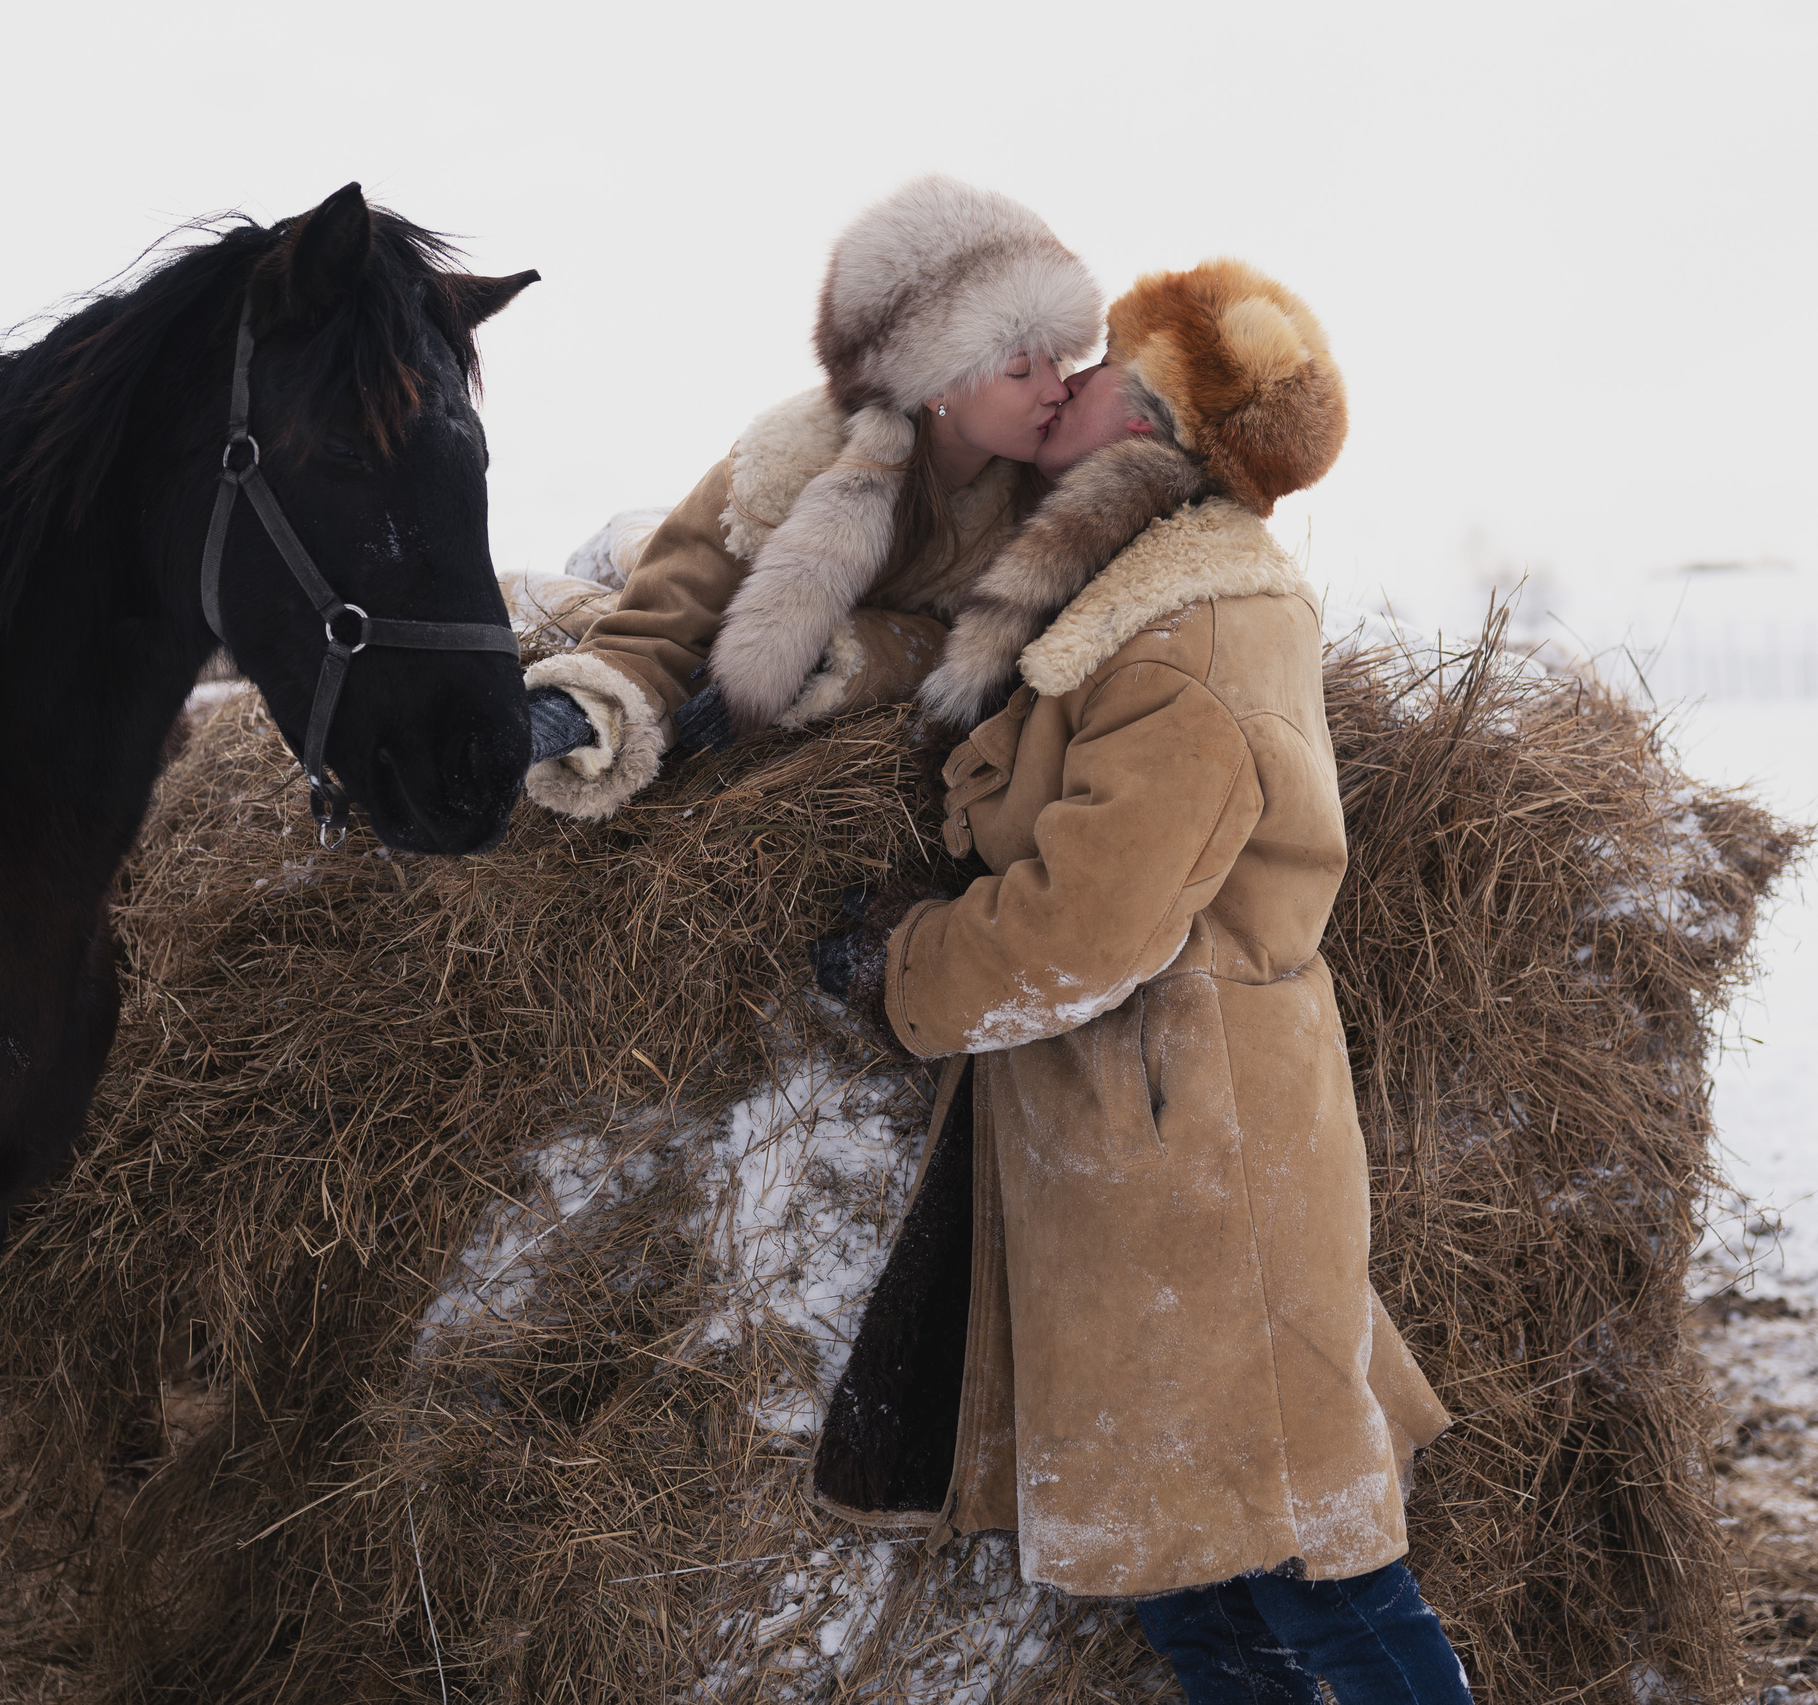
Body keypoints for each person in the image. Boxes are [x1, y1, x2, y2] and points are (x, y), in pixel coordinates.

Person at [808, 261, 1470, 1702]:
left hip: (1200, 1161)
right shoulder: (1120, 597)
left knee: (1320, 1572)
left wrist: (900, 964)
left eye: (1109, 360)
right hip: (1144, 1151)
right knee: (1195, 1591)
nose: (1071, 370)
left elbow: (1081, 930)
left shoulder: (1197, 633)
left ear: (1152, 420)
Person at [517, 174, 1102, 819]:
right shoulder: (781, 472)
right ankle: (596, 548)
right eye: (1021, 369)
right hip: (690, 547)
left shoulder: (1036, 495)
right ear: (934, 382)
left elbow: (972, 646)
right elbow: (661, 628)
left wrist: (846, 652)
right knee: (582, 588)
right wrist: (569, 713)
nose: (1055, 389)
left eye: (1057, 360)